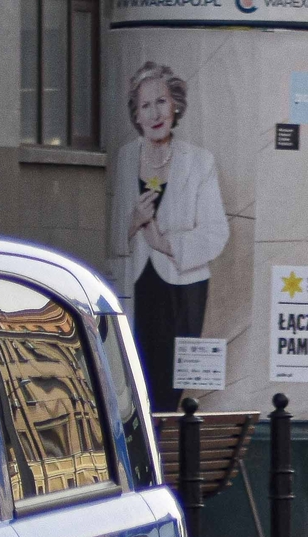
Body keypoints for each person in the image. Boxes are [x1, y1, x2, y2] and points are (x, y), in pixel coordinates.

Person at [111, 61, 229, 410]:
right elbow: (115, 237)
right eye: (145, 105)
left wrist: (165, 243)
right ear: (136, 114)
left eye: (161, 101)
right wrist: (133, 223)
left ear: (175, 104)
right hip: (137, 287)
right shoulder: (125, 157)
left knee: (168, 393)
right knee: (137, 383)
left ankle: (164, 455)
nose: (154, 112)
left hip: (183, 290)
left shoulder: (199, 161)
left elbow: (216, 232)